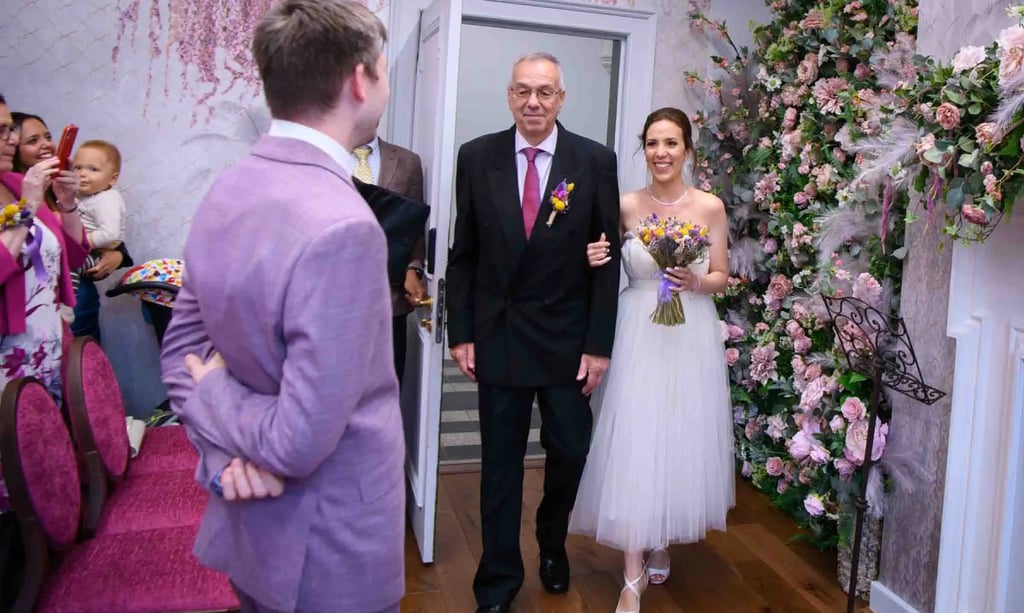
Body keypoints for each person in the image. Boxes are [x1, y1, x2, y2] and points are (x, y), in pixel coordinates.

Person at [159, 2, 404, 612]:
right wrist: (219, 402)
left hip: (254, 517)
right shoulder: (345, 227)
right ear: (359, 79)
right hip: (326, 546)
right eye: (384, 69)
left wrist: (224, 453)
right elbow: (296, 440)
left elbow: (180, 358)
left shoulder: (229, 185)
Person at [446, 52, 621, 613]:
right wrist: (461, 330)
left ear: (561, 99)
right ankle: (496, 583)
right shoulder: (477, 158)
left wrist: (598, 346)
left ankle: (552, 539)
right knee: (499, 467)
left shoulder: (593, 161)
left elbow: (607, 259)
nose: (534, 103)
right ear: (509, 96)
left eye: (545, 92)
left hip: (567, 338)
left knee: (571, 448)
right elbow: (464, 255)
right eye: (523, 91)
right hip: (498, 335)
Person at [569, 107, 735, 613]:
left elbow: (723, 275)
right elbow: (594, 257)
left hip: (690, 330)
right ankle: (632, 571)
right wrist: (592, 257)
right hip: (638, 326)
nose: (661, 153)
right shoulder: (623, 205)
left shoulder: (710, 207)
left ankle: (664, 531)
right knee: (636, 436)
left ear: (687, 149)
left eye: (672, 143)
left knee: (678, 433)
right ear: (644, 148)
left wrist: (696, 281)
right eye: (652, 143)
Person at [0, 93, 90, 510]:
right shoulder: (25, 194)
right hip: (7, 350)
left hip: (48, 338)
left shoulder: (15, 185)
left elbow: (72, 257)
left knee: (50, 452)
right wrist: (30, 207)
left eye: (10, 130)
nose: (10, 139)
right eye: (1, 132)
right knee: (15, 465)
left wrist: (66, 202)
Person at [12, 113, 129, 285]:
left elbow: (103, 232)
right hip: (38, 294)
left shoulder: (59, 185)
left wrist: (119, 255)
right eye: (32, 141)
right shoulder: (12, 194)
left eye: (48, 137)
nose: (46, 144)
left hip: (81, 294)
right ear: (12, 147)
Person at [352, 131, 426, 382]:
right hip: (332, 300)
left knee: (387, 388)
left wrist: (414, 269)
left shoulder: (407, 161)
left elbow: (414, 227)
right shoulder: (325, 156)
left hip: (389, 299)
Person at [68, 139, 126, 342]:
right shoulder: (83, 196)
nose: (82, 174)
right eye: (78, 168)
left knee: (68, 265)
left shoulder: (106, 199)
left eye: (93, 169)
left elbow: (110, 234)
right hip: (87, 252)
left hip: (92, 255)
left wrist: (81, 242)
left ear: (112, 179)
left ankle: (68, 307)